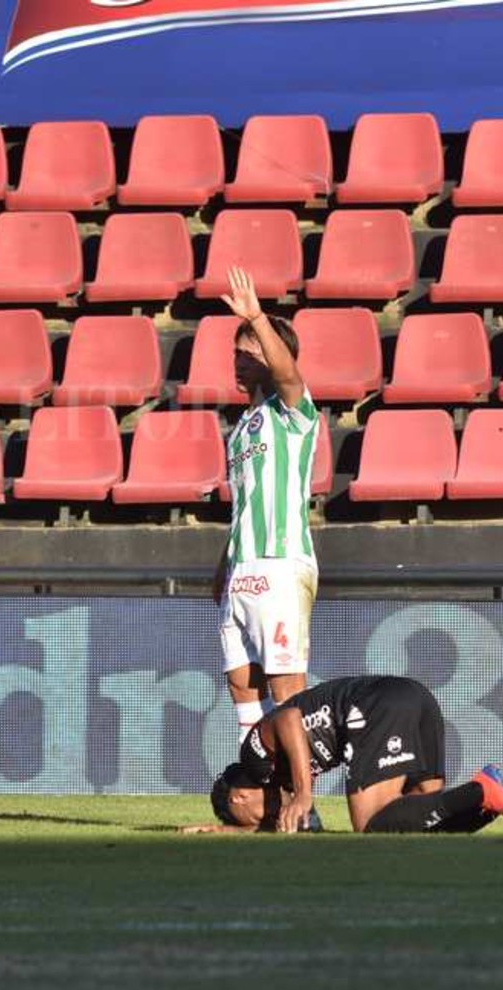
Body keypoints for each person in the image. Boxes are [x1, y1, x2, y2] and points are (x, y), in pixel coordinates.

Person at [189, 674, 503, 836]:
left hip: (373, 707)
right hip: (412, 696)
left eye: (253, 815)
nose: (270, 817)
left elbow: (287, 716)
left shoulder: (253, 760)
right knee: (423, 816)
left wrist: (303, 793)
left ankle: (484, 789)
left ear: (239, 796)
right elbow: (284, 827)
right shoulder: (275, 788)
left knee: (369, 822)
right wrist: (232, 830)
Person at [213, 266, 321, 744]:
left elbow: (289, 375)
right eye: (235, 352)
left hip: (280, 563)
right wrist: (225, 565)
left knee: (286, 687)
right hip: (244, 566)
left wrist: (257, 318)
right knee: (240, 682)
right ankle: (257, 792)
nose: (237, 360)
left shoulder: (293, 412)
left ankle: (304, 801)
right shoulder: (240, 428)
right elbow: (244, 505)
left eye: (248, 351)